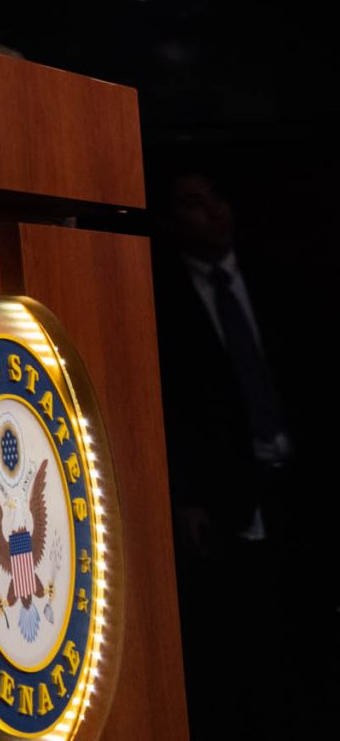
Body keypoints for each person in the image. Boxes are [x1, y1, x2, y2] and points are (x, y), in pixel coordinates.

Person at [151, 165, 321, 734]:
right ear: (174, 219)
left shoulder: (280, 276)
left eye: (218, 197)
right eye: (195, 203)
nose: (214, 212)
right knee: (245, 644)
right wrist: (186, 497)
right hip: (227, 491)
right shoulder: (163, 299)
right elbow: (167, 406)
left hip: (300, 478)